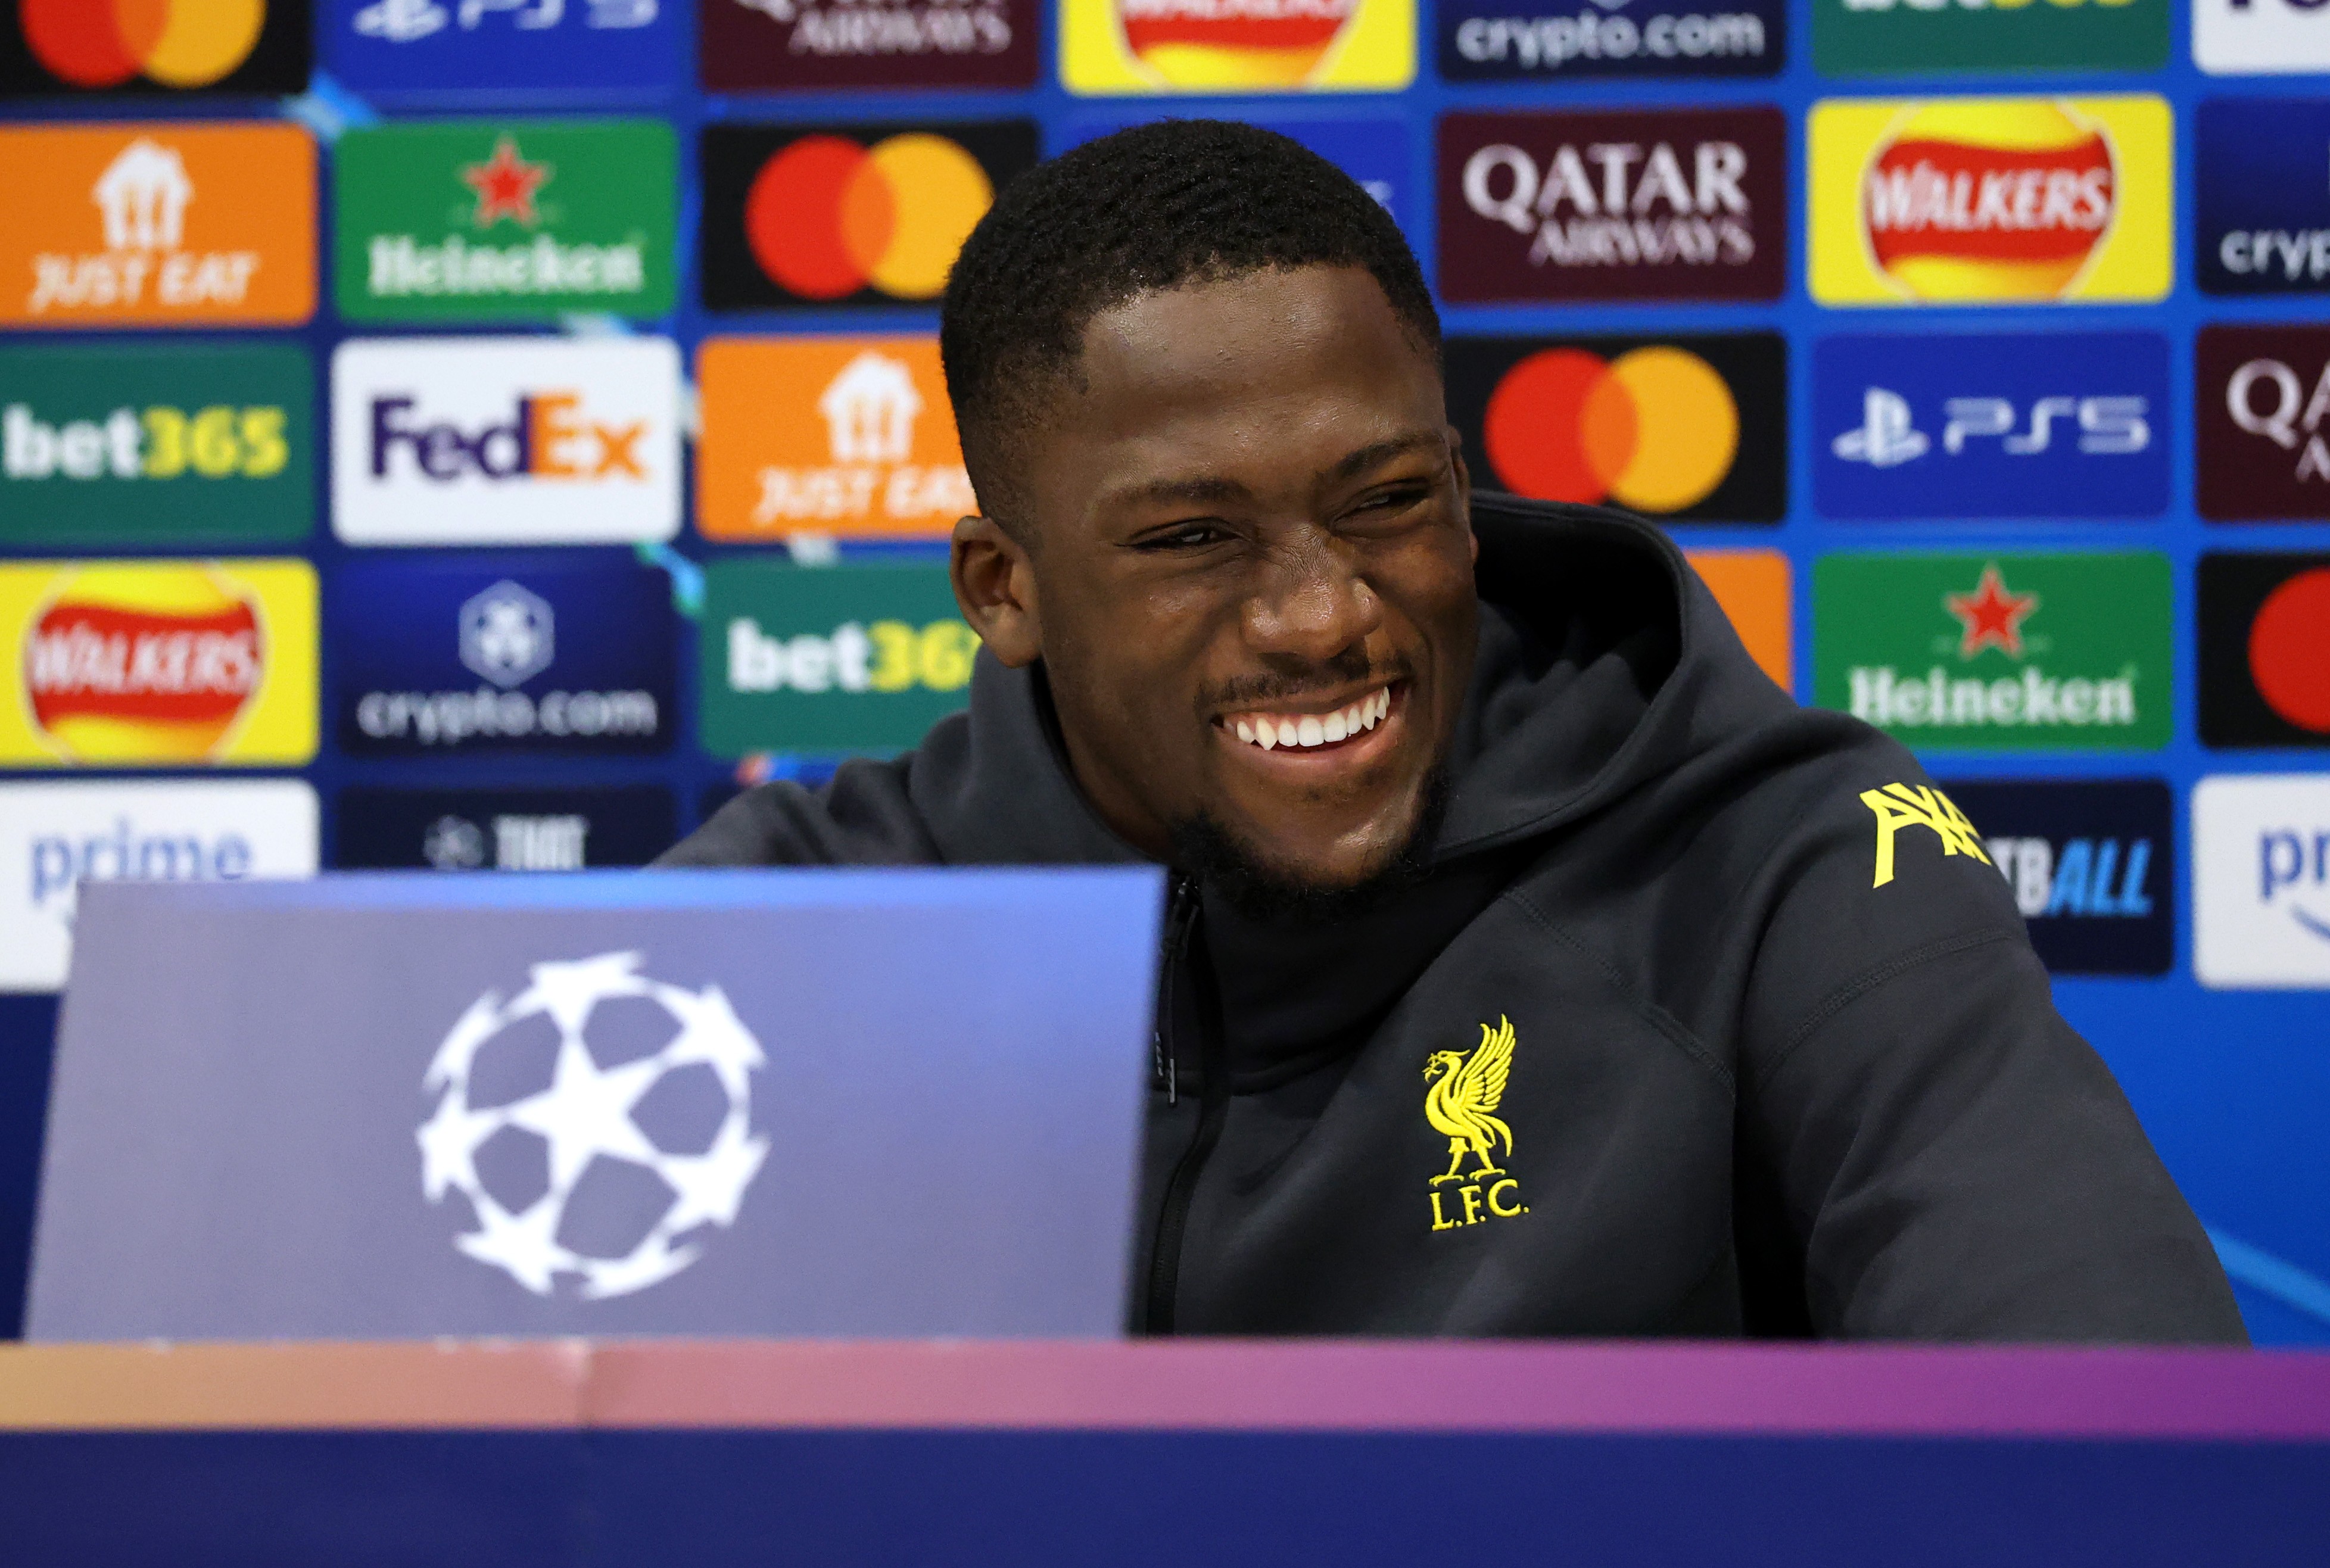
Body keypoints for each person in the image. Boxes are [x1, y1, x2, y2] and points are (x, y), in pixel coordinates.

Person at [662, 120, 2245, 1342]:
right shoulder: (809, 928)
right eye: (1193, 537)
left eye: (1390, 502)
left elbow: (2121, 1435)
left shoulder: (1772, 863)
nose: (1323, 615)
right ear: (1005, 588)